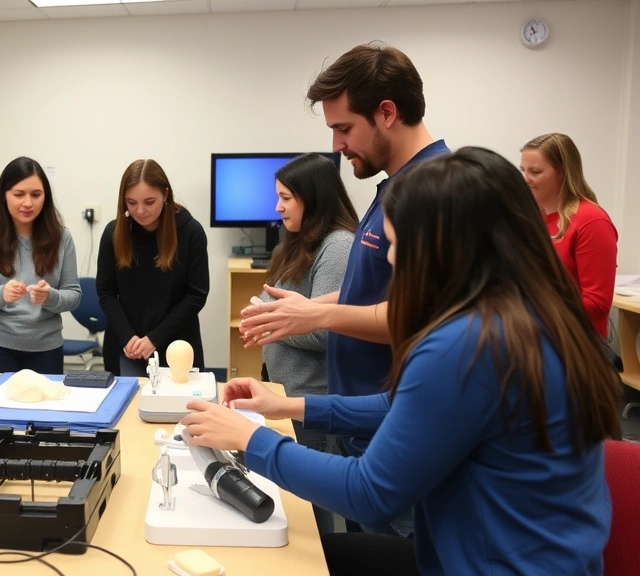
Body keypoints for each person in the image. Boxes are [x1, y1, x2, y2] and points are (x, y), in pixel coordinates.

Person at [183, 147, 621, 575]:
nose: (391, 260)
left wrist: (252, 440)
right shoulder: (530, 319)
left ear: (446, 249)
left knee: (293, 559)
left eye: (397, 245)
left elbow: (370, 493)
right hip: (536, 558)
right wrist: (287, 406)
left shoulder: (467, 347)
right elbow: (403, 405)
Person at [239, 43, 450, 537]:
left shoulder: (434, 190)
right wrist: (309, 307)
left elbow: (420, 317)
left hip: (396, 438)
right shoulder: (395, 186)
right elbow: (374, 292)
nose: (336, 145)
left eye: (344, 128)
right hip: (366, 421)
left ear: (387, 113)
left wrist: (317, 316)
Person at [258, 153, 358, 535]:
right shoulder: (295, 243)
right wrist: (266, 314)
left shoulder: (338, 246)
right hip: (285, 395)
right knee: (293, 506)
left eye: (286, 198)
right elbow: (277, 304)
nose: (277, 207)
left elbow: (326, 329)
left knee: (310, 521)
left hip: (311, 402)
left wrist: (269, 321)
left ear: (312, 198)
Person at [0, 156, 81, 374]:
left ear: (46, 196)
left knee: (44, 397)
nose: (28, 203)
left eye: (36, 195)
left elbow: (73, 295)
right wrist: (1, 295)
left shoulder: (62, 238)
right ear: (4, 195)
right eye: (19, 194)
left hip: (46, 348)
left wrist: (50, 297)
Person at [96, 159, 209, 377]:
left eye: (149, 202)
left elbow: (196, 295)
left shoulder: (190, 232)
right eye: (131, 202)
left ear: (165, 194)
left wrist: (154, 338)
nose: (140, 211)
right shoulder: (114, 233)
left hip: (176, 347)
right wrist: (128, 336)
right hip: (126, 347)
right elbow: (106, 291)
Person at [520, 133, 618, 341]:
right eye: (523, 171)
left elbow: (597, 304)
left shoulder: (591, 220)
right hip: (540, 335)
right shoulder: (535, 217)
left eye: (535, 172)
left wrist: (535, 313)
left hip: (577, 342)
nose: (525, 179)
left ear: (562, 173)